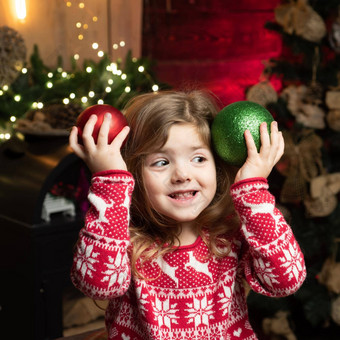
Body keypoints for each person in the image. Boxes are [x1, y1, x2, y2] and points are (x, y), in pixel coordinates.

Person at [69, 90, 306, 340]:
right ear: (134, 173)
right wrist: (110, 182)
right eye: (161, 162)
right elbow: (97, 284)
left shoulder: (232, 233)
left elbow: (287, 280)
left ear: (217, 166)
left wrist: (253, 189)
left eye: (199, 158)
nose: (182, 174)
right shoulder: (120, 237)